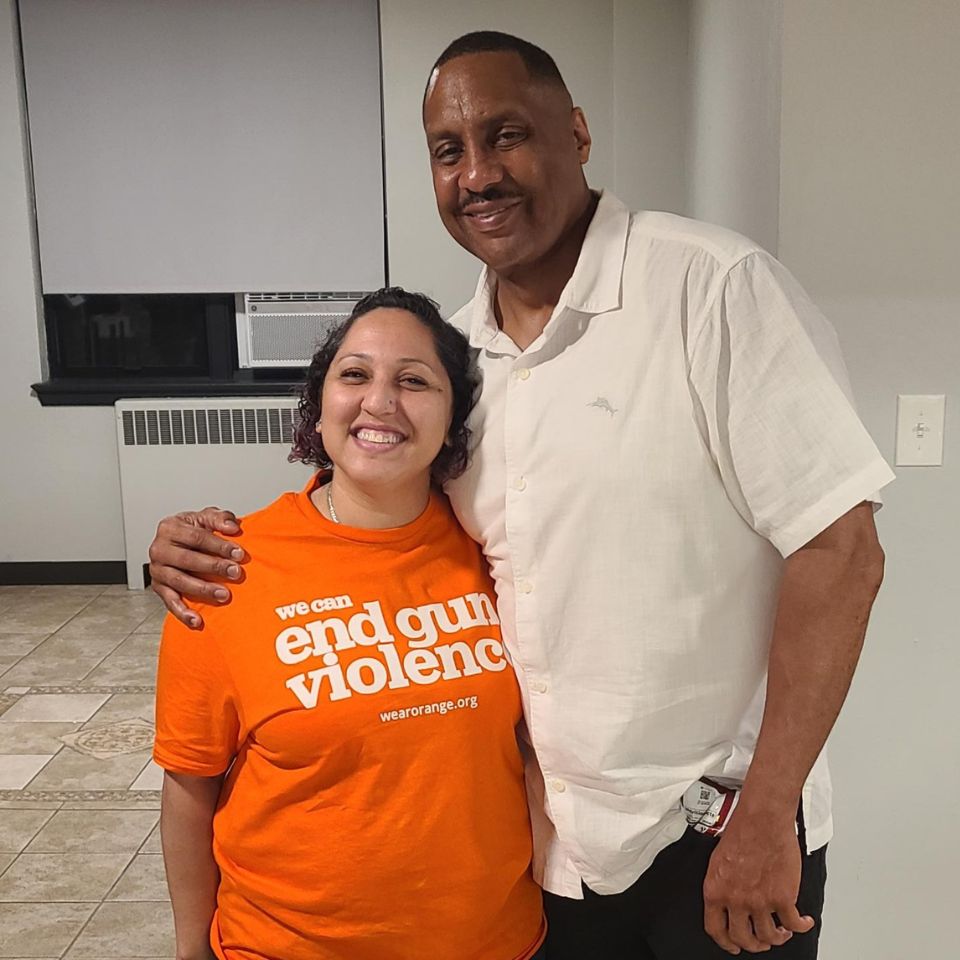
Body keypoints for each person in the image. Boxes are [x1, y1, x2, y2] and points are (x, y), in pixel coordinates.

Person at [148, 32, 894, 960]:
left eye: (507, 135)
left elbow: (843, 553)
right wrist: (204, 543)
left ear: (575, 133)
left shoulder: (710, 289)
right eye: (448, 151)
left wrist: (769, 815)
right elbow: (369, 515)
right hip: (553, 858)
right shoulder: (456, 359)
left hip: (721, 840)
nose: (478, 174)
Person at [154, 287, 546, 960]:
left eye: (414, 381)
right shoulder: (225, 570)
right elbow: (190, 785)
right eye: (355, 374)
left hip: (497, 943)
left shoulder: (501, 554)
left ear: (454, 418)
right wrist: (192, 948)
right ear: (321, 401)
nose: (380, 402)